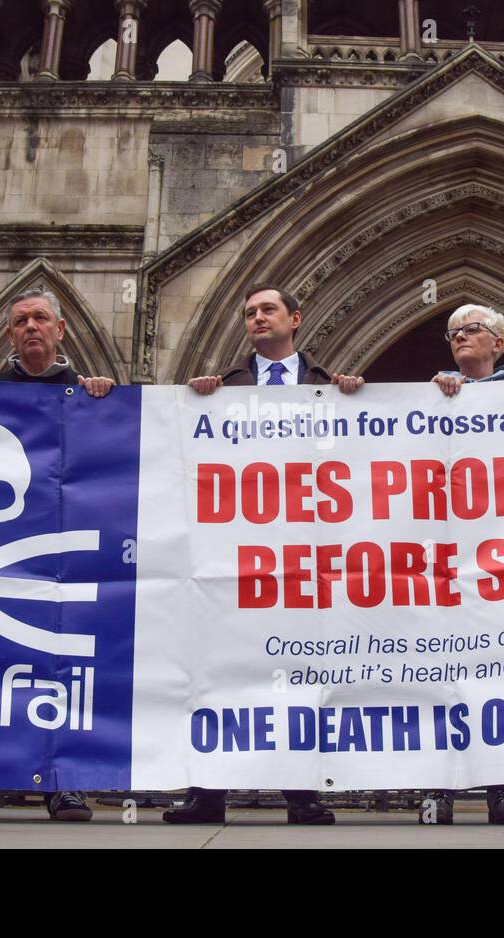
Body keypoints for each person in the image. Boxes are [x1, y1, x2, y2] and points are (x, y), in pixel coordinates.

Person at [165, 284, 364, 825]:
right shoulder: (223, 388)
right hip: (237, 560)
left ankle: (302, 793)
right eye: (249, 311)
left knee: (301, 673)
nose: (256, 318)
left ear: (295, 319)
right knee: (219, 670)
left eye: (267, 309)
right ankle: (207, 794)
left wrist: (358, 401)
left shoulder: (330, 387)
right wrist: (193, 400)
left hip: (303, 562)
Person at [0, 288, 114, 822]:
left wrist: (106, 400)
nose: (31, 327)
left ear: (60, 330)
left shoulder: (88, 394)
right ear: (9, 335)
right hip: (0, 550)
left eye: (41, 318)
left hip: (62, 552)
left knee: (59, 664)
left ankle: (62, 783)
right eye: (21, 321)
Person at [426, 303, 504, 824]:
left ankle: (502, 789)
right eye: (453, 332)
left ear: (499, 342)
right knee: (438, 677)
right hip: (443, 560)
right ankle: (441, 790)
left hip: (502, 559)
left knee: (501, 676)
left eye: (471, 330)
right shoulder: (434, 393)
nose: (460, 337)